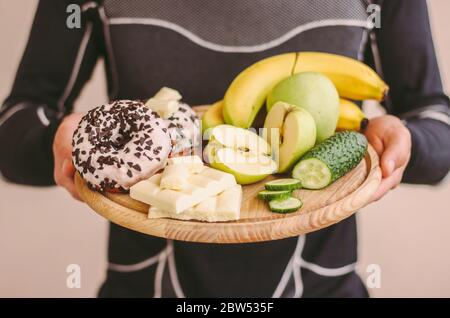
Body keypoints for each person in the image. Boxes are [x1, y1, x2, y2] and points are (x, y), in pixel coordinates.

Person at [1, 0, 449, 298]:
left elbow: (435, 124)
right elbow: (14, 129)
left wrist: (408, 140)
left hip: (323, 288)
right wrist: (56, 137)